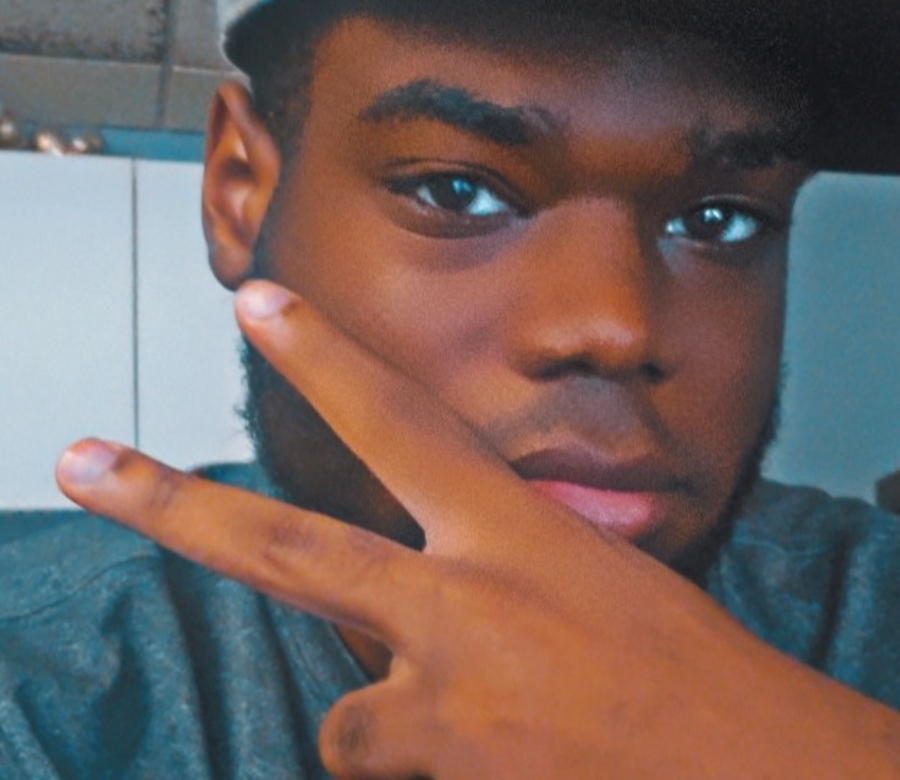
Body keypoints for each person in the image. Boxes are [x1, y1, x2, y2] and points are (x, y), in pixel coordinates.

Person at [3, 0, 899, 777]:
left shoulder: (870, 614)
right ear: (240, 190)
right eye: (458, 192)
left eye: (720, 220)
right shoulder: (42, 688)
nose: (615, 328)